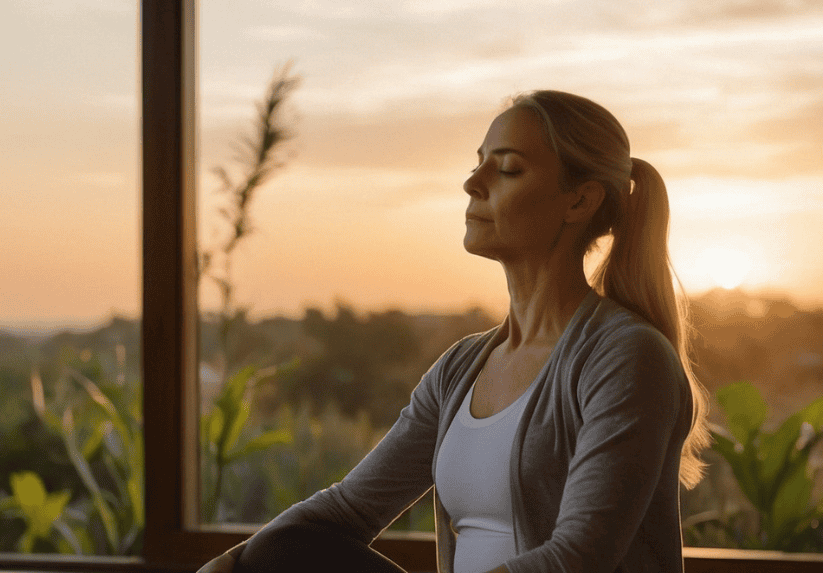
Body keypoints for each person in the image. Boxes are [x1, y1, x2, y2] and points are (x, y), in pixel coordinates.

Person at [198, 90, 710, 573]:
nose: (473, 182)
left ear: (578, 202)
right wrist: (232, 565)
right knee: (287, 547)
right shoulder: (461, 368)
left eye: (508, 167)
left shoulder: (626, 356)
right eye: (478, 162)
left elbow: (581, 557)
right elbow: (350, 509)